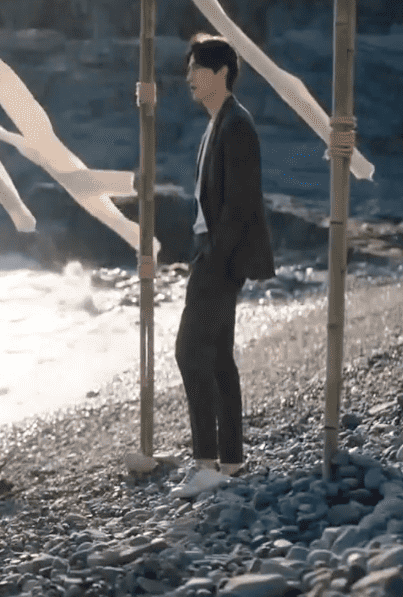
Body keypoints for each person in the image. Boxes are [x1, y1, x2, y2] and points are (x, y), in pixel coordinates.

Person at [167, 34, 276, 499]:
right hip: (213, 254)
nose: (189, 77)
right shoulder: (222, 123)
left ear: (222, 73)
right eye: (189, 69)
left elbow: (240, 204)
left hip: (218, 259)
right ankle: (230, 461)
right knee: (216, 358)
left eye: (197, 68)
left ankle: (205, 462)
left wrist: (214, 259)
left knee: (189, 352)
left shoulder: (236, 126)